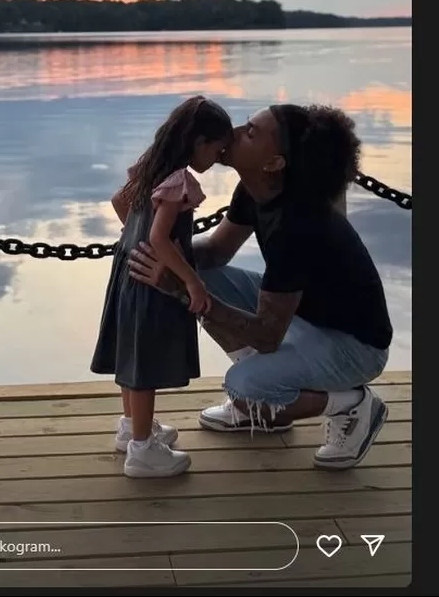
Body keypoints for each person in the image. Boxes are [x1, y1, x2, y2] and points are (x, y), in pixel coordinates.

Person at [128, 104, 393, 470]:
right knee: (203, 275)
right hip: (304, 320)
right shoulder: (256, 189)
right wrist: (168, 255)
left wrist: (179, 288)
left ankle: (352, 404)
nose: (234, 132)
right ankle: (264, 405)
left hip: (354, 348)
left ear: (273, 163)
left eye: (251, 132)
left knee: (245, 386)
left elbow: (267, 336)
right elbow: (217, 251)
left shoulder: (297, 225)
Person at [91, 95, 233, 478]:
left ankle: (131, 428)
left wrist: (132, 236)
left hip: (127, 272)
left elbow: (119, 201)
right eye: (216, 150)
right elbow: (159, 238)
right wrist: (192, 281)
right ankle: (142, 452)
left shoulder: (151, 167)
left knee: (132, 353)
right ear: (198, 142)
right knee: (146, 364)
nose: (218, 159)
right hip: (149, 285)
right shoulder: (178, 181)